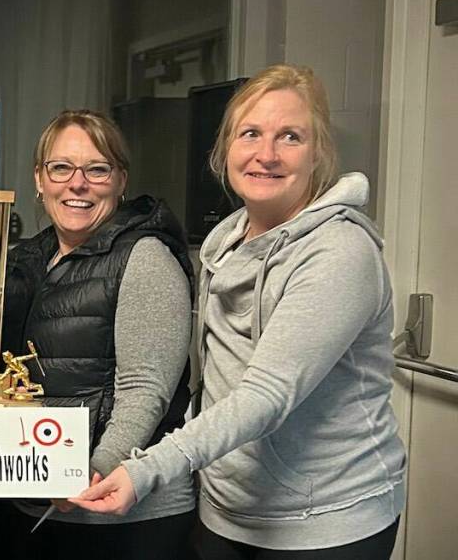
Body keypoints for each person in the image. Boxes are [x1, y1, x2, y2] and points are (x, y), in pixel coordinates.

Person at [71, 65, 407, 560]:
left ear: (317, 154)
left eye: (289, 136)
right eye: (250, 134)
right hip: (227, 511)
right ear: (226, 148)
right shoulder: (224, 242)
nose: (265, 154)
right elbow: (216, 383)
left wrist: (145, 469)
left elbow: (265, 396)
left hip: (325, 521)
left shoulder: (340, 252)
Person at [0, 109, 196, 559]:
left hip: (123, 515)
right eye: (61, 167)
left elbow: (145, 391)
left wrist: (94, 470)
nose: (77, 184)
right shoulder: (25, 258)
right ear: (40, 179)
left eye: (97, 169)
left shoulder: (146, 258)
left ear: (121, 180)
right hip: (37, 504)